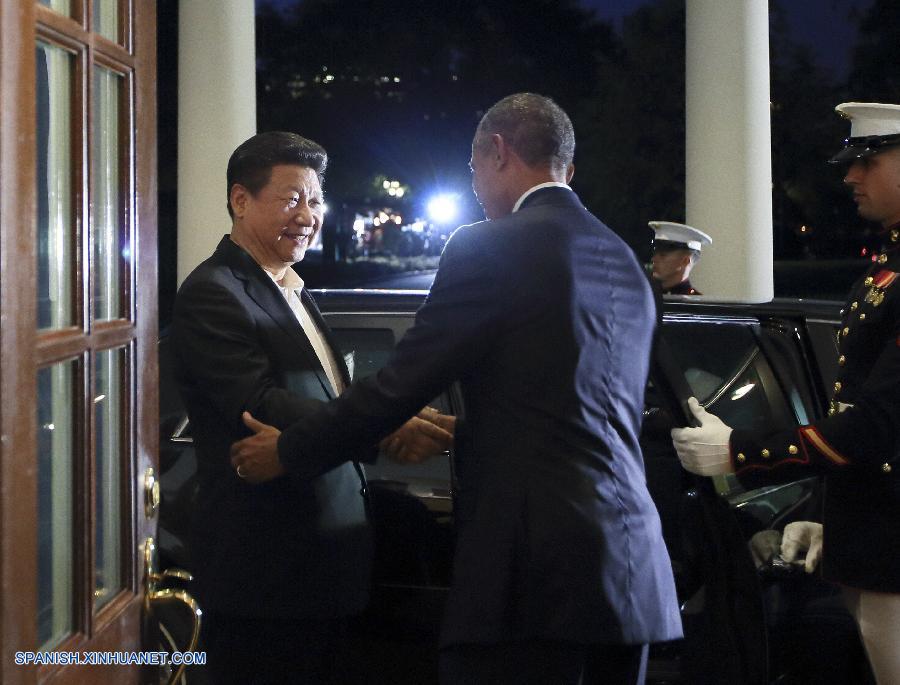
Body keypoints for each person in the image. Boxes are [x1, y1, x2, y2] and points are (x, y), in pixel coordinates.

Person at [230, 94, 682, 684]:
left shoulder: (489, 245)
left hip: (531, 581)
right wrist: (471, 432)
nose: (474, 188)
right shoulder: (623, 259)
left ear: (496, 151)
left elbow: (398, 386)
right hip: (633, 576)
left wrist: (289, 451)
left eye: (472, 171)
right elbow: (586, 409)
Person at [170, 131, 453, 684]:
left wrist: (392, 419)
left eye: (316, 200)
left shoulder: (294, 289)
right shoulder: (213, 292)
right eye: (291, 198)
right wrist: (381, 426)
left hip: (327, 568)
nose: (308, 215)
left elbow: (333, 404)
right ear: (240, 200)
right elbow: (259, 405)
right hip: (268, 572)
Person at [672, 102, 900, 684]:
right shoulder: (887, 268)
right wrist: (828, 518)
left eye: (868, 161)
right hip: (875, 541)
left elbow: (878, 425)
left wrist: (740, 451)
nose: (851, 176)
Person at [648, 221, 712, 295]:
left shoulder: (698, 304)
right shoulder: (646, 296)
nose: (653, 259)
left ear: (685, 261)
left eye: (663, 255)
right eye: (655, 254)